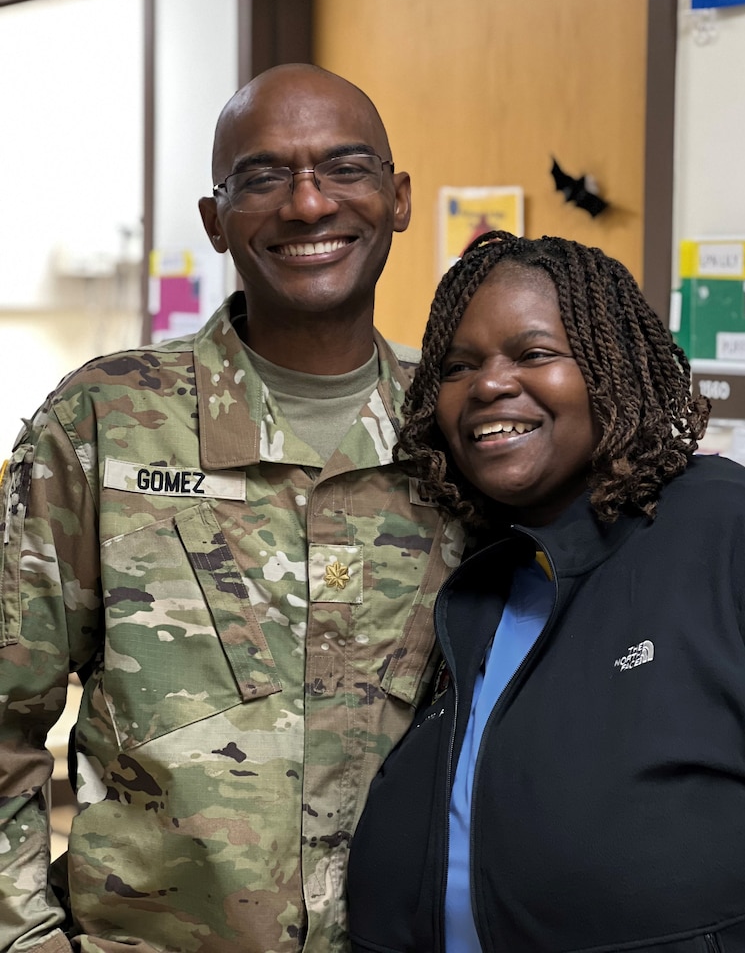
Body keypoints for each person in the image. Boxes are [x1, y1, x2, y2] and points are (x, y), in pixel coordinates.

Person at [0, 63, 463, 952]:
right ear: (216, 221)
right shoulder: (107, 421)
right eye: (262, 177)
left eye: (346, 167)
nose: (307, 204)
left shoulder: (455, 431)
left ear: (397, 199)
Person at [347, 229, 745, 953]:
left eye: (533, 355)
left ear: (612, 365)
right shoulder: (466, 571)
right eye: (459, 366)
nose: (489, 385)